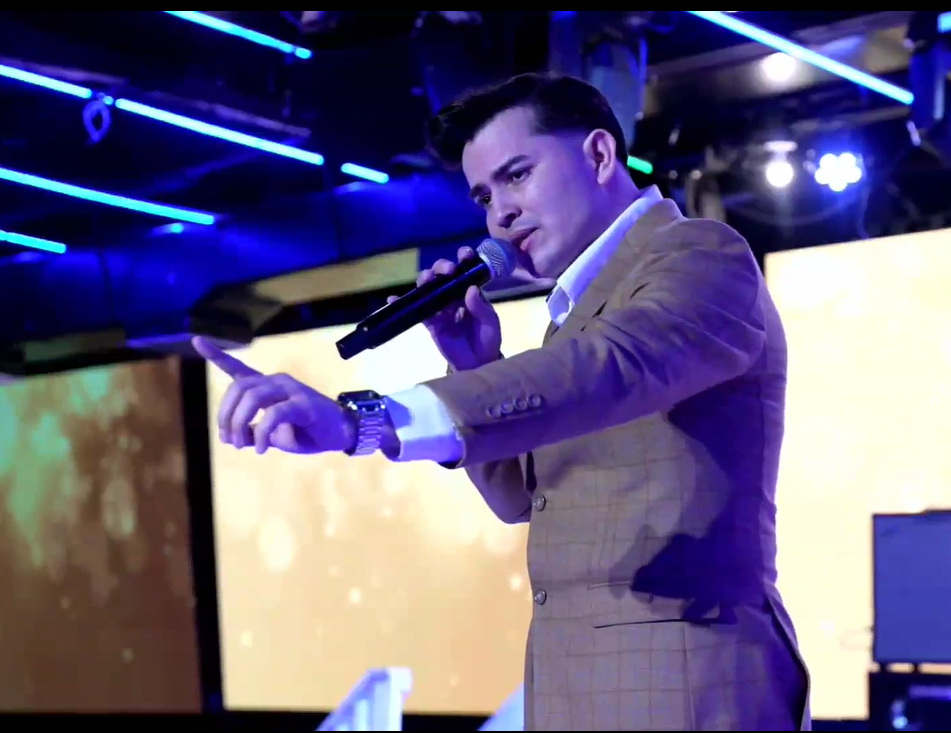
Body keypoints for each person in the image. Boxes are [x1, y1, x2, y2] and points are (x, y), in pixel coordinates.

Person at [195, 72, 810, 731]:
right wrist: (474, 363)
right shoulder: (574, 319)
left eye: (516, 175)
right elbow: (523, 497)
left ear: (599, 155)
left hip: (684, 682)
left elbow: (605, 369)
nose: (499, 214)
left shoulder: (698, 254)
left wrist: (361, 420)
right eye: (484, 196)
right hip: (574, 685)